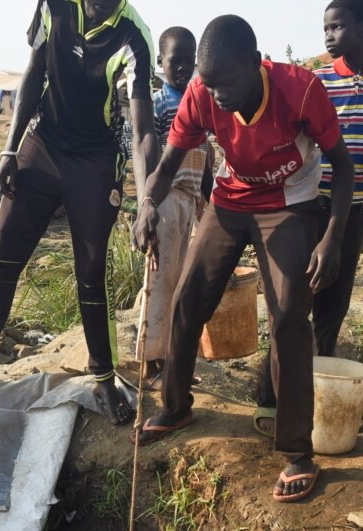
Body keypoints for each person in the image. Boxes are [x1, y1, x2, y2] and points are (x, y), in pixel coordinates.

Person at [132, 15, 355, 503]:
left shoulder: (299, 90)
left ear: (255, 65)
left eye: (227, 84)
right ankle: (175, 407)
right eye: (209, 86)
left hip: (291, 205)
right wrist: (147, 205)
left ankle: (298, 452)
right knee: (188, 300)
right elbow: (167, 164)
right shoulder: (201, 92)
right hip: (231, 202)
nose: (218, 97)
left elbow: (343, 164)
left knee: (289, 318)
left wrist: (331, 239)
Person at [0, 0, 159, 426]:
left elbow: (143, 130)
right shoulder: (54, 5)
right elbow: (34, 73)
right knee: (3, 252)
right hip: (43, 145)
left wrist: (147, 197)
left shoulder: (134, 36)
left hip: (96, 160)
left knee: (92, 270)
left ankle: (104, 377)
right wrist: (8, 147)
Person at [252, 0, 363, 437]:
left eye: (337, 27)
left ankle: (314, 401)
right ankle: (271, 399)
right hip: (302, 206)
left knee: (331, 307)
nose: (328, 35)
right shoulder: (313, 77)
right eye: (325, 28)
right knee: (288, 306)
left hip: (351, 209)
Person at [139, 26, 214, 389]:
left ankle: (172, 360)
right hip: (166, 199)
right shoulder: (160, 102)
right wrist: (147, 205)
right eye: (175, 61)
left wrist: (207, 201)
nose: (184, 68)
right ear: (160, 63)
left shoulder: (203, 101)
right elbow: (146, 151)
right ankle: (152, 362)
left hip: (190, 199)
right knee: (161, 280)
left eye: (190, 61)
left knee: (182, 282)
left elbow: (208, 155)